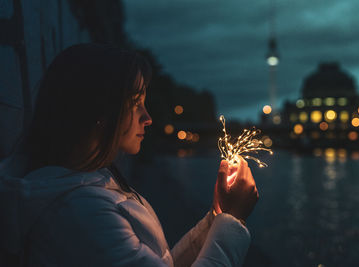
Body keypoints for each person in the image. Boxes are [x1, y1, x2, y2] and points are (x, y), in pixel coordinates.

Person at [0, 43, 259, 267]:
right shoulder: (81, 213)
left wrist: (217, 217)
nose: (148, 118)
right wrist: (232, 220)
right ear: (97, 111)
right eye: (136, 104)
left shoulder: (91, 183)